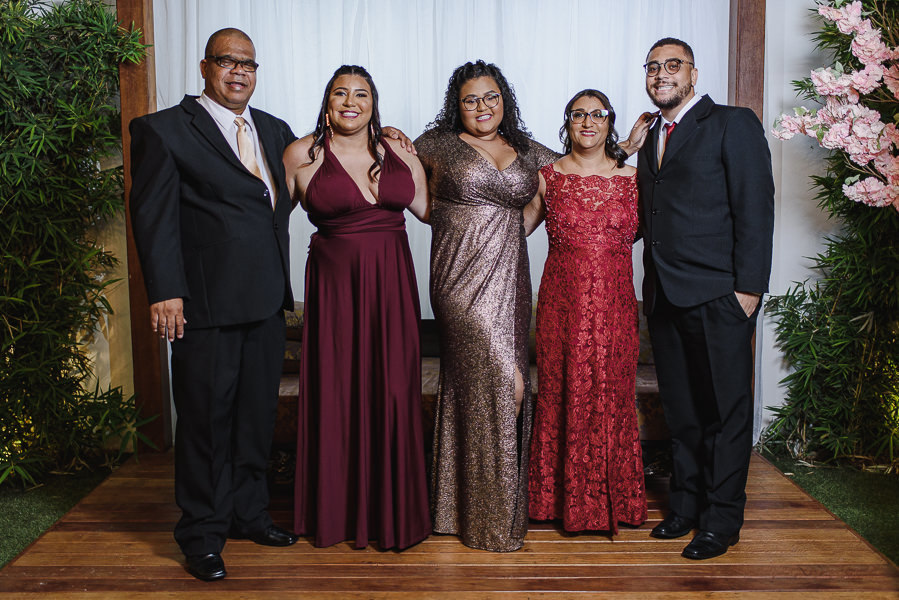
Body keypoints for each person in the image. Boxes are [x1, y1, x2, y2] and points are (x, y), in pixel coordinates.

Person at [129, 28, 299, 581]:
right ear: (205, 67)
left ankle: (249, 514)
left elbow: (299, 187)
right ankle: (202, 534)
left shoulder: (274, 130)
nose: (238, 71)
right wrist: (165, 290)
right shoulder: (164, 129)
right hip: (203, 304)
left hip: (265, 301)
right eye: (227, 61)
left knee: (254, 418)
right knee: (205, 422)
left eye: (248, 63)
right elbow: (152, 215)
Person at [636, 37, 775, 560]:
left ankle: (721, 521)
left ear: (693, 74)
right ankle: (686, 507)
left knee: (725, 413)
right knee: (683, 411)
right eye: (653, 66)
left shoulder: (732, 123)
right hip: (665, 296)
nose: (661, 74)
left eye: (673, 65)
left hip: (720, 294)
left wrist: (748, 291)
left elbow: (756, 207)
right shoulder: (651, 135)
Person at [284, 65, 432, 550]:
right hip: (335, 294)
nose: (351, 101)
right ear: (327, 103)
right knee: (337, 393)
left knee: (394, 390)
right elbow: (261, 220)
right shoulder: (301, 154)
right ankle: (336, 512)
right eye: (340, 93)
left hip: (392, 291)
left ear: (374, 103)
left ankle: (392, 514)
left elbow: (434, 212)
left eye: (361, 94)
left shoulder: (399, 152)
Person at [414, 60, 559, 552]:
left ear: (504, 100)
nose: (482, 106)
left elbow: (574, 170)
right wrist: (387, 136)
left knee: (485, 391)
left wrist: (628, 149)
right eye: (471, 99)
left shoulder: (528, 150)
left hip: (511, 282)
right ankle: (491, 520)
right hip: (459, 282)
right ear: (457, 106)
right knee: (505, 385)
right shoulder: (436, 144)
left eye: (491, 96)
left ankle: (461, 509)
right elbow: (404, 186)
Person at [525, 89, 648, 534]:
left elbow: (655, 232)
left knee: (613, 394)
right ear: (568, 123)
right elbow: (515, 228)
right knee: (561, 391)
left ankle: (615, 501)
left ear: (610, 121)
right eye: (579, 114)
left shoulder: (635, 179)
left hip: (616, 305)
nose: (588, 121)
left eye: (598, 114)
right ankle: (555, 503)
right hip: (562, 306)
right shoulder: (547, 177)